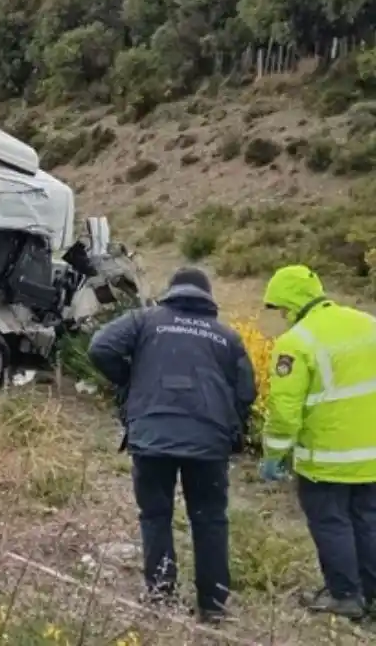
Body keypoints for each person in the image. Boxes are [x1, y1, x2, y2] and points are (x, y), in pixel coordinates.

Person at [88, 267, 256, 624]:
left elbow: (100, 347)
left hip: (151, 437)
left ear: (171, 290)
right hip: (209, 442)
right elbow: (247, 392)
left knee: (155, 516)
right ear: (208, 297)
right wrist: (229, 423)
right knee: (210, 520)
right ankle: (213, 606)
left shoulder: (145, 320)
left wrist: (129, 382)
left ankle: (161, 595)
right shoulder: (227, 337)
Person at [259, 264, 376, 621]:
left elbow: (284, 411)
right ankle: (371, 593)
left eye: (277, 310)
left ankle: (345, 595)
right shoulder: (367, 323)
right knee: (368, 520)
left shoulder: (297, 342)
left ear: (288, 306)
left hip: (327, 459)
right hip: (372, 455)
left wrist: (274, 454)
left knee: (331, 522)